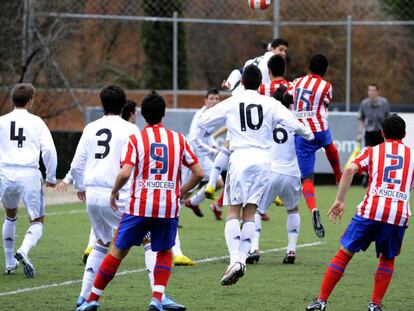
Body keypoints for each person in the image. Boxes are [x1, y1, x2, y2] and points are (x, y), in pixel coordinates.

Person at [77, 91, 204, 311]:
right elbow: (199, 172)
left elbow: (125, 172)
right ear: (164, 114)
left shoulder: (137, 139)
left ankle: (92, 298)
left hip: (139, 205)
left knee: (117, 250)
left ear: (143, 115)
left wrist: (114, 192)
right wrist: (180, 191)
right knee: (164, 250)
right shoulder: (179, 139)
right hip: (167, 206)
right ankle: (157, 297)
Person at [198, 65, 314, 286]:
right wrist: (308, 133)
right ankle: (241, 259)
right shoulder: (270, 103)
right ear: (261, 84)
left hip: (240, 157)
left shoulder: (234, 102)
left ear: (242, 83)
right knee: (250, 213)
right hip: (263, 161)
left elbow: (205, 121)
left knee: (233, 210)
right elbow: (294, 123)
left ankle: (234, 260)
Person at [306, 114, 412, 311]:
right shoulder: (412, 155)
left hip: (371, 210)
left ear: (382, 133)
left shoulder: (372, 151)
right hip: (397, 215)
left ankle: (321, 301)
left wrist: (339, 200)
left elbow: (349, 170)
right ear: (405, 134)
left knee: (345, 253)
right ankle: (375, 305)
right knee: (387, 259)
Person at [0, 83, 57, 277]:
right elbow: (49, 150)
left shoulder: (2, 121)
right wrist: (51, 176)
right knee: (38, 220)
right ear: (30, 100)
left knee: (10, 215)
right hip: (28, 173)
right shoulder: (37, 122)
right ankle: (23, 250)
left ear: (12, 100)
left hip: (5, 172)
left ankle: (9, 263)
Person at [248, 78, 301, 265]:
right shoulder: (296, 120)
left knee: (255, 210)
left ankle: (254, 248)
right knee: (292, 209)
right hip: (292, 172)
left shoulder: (267, 118)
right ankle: (291, 250)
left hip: (270, 171)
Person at [292, 54, 342, 238]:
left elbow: (288, 97)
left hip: (301, 132)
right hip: (319, 128)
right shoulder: (326, 86)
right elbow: (325, 103)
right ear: (325, 70)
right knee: (330, 147)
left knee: (307, 178)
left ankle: (313, 209)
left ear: (309, 67)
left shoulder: (296, 82)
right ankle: (339, 178)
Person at [184, 88, 224, 218]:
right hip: (192, 155)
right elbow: (194, 140)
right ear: (205, 100)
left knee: (218, 183)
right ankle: (171, 216)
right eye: (211, 99)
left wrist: (212, 144)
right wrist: (212, 151)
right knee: (185, 188)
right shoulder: (201, 116)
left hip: (202, 155)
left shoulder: (213, 114)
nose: (214, 101)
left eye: (217, 99)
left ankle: (193, 202)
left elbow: (207, 135)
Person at [222, 38, 289, 92]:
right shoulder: (273, 62)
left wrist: (229, 83)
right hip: (252, 99)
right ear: (272, 49)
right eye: (281, 50)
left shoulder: (255, 60)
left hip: (239, 95)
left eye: (285, 51)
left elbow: (238, 72)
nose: (283, 53)